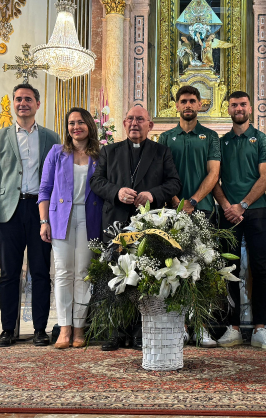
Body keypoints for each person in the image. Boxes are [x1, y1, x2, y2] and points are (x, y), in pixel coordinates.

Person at [90, 105, 181, 351]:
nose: (134, 123)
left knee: (144, 277)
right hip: (116, 223)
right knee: (114, 277)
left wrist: (152, 194)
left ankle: (141, 332)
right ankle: (115, 332)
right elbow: (96, 181)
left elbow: (174, 183)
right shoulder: (109, 151)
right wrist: (117, 192)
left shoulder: (161, 152)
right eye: (130, 118)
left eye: (140, 119)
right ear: (124, 123)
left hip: (149, 225)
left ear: (150, 125)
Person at [0, 83, 60, 348]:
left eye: (28, 99)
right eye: (18, 99)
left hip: (40, 210)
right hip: (8, 211)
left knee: (40, 272)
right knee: (9, 273)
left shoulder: (51, 137)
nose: (22, 103)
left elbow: (58, 177)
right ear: (13, 104)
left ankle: (40, 329)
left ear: (37, 104)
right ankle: (7, 329)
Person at [211, 91, 266, 350]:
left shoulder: (261, 139)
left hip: (256, 210)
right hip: (228, 212)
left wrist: (244, 204)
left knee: (260, 269)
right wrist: (227, 206)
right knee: (229, 269)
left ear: (250, 108)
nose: (238, 108)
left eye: (242, 104)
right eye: (233, 105)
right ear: (228, 109)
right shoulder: (221, 142)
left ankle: (260, 328)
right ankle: (234, 327)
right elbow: (213, 177)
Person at [157, 85, 221, 348]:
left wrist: (192, 201)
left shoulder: (211, 136)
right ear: (176, 105)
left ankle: (201, 325)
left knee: (201, 268)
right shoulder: (165, 138)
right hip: (172, 211)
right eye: (183, 101)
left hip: (202, 208)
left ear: (200, 105)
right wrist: (176, 201)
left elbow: (214, 173)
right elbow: (160, 174)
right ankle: (180, 326)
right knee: (175, 268)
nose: (188, 105)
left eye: (192, 101)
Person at [38, 108, 103, 349]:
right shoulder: (57, 152)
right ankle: (64, 328)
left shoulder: (100, 155)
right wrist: (44, 221)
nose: (76, 127)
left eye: (81, 122)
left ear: (89, 125)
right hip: (60, 217)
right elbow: (44, 189)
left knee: (83, 272)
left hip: (89, 217)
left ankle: (79, 328)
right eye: (71, 123)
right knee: (63, 272)